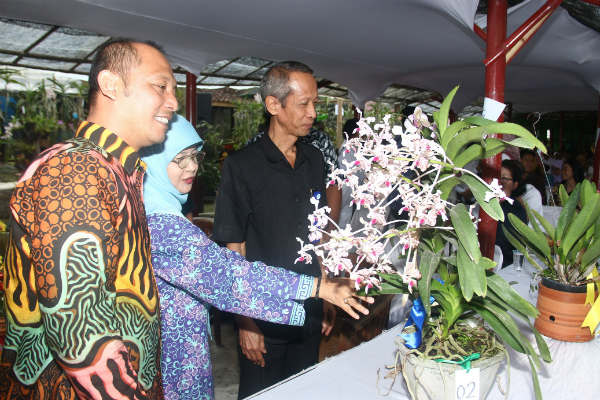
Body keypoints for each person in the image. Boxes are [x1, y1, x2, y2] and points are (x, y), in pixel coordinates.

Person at [141, 114, 371, 400]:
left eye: (195, 156)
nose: (192, 167)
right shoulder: (159, 224)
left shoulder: (161, 209)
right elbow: (229, 274)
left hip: (186, 358)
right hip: (168, 369)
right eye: (180, 159)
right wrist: (319, 288)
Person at [0, 39, 178, 399]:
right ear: (111, 84)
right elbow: (80, 334)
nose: (173, 103)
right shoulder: (76, 168)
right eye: (161, 86)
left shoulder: (113, 170)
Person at [213, 61, 336, 398]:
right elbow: (233, 250)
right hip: (263, 316)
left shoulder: (314, 160)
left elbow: (319, 231)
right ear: (273, 105)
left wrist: (325, 295)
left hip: (309, 309)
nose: (313, 112)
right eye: (304, 103)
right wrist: (245, 322)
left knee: (304, 392)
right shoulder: (242, 166)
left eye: (315, 103)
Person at [496, 160, 528, 267]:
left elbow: (508, 244)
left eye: (505, 178)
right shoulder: (483, 204)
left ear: (515, 185)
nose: (500, 182)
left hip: (505, 264)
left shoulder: (516, 210)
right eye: (497, 177)